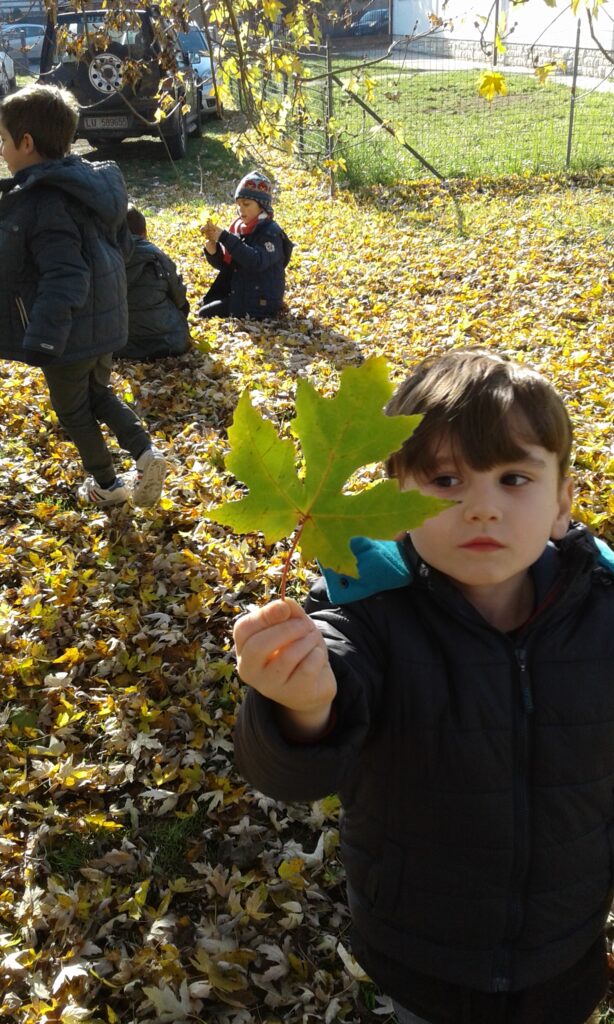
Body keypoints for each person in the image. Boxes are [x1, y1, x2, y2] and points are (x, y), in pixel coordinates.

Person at [232, 349, 614, 1024]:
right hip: (424, 957)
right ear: (393, 502)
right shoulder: (367, 614)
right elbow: (298, 754)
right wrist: (303, 704)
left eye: (514, 479)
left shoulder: (604, 613)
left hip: (567, 949)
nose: (483, 509)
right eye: (445, 479)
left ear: (563, 504)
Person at [0, 84, 167, 508]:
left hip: (68, 333)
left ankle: (108, 486)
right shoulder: (88, 187)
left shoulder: (43, 201)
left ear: (26, 143)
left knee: (74, 411)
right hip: (108, 322)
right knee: (98, 395)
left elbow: (65, 274)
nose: (1, 151)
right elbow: (121, 246)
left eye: (3, 140)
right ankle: (145, 452)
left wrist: (42, 339)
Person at [198, 170, 293, 319]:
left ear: (262, 206)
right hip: (243, 291)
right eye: (238, 204)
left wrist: (224, 237)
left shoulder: (271, 233)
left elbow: (256, 261)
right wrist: (213, 252)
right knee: (204, 305)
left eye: (246, 204)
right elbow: (229, 268)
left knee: (204, 314)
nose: (241, 209)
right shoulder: (239, 227)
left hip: (260, 301)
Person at [114, 204, 191, 361]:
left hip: (121, 346)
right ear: (145, 232)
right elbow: (179, 297)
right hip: (170, 342)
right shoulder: (156, 255)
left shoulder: (107, 259)